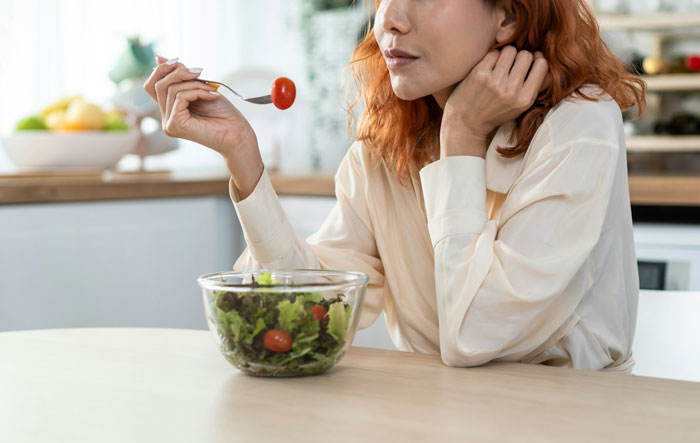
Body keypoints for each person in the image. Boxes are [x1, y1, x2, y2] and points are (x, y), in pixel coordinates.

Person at [144, 0, 646, 371]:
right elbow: (311, 309)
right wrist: (242, 155)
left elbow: (476, 335)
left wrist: (463, 137)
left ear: (508, 17)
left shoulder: (580, 123)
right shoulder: (390, 139)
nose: (389, 19)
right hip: (433, 415)